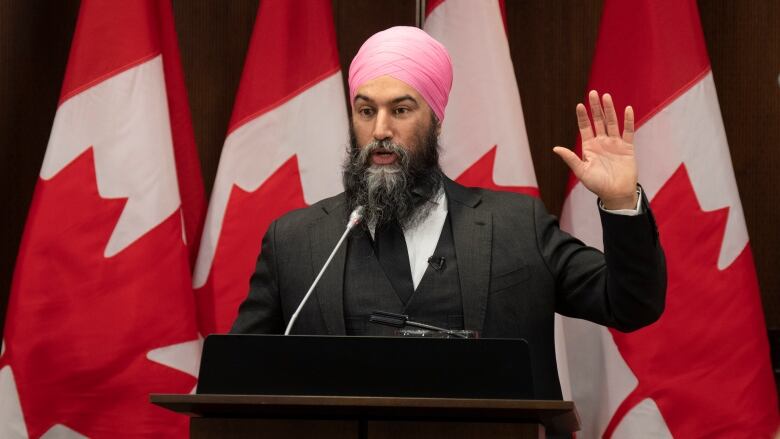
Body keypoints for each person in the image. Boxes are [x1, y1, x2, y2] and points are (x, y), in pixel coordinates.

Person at [231, 26, 666, 400]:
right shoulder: (295, 240)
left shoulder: (518, 225)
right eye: (366, 111)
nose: (380, 131)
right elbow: (235, 378)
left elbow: (631, 305)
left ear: (436, 119)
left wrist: (621, 202)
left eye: (400, 110)